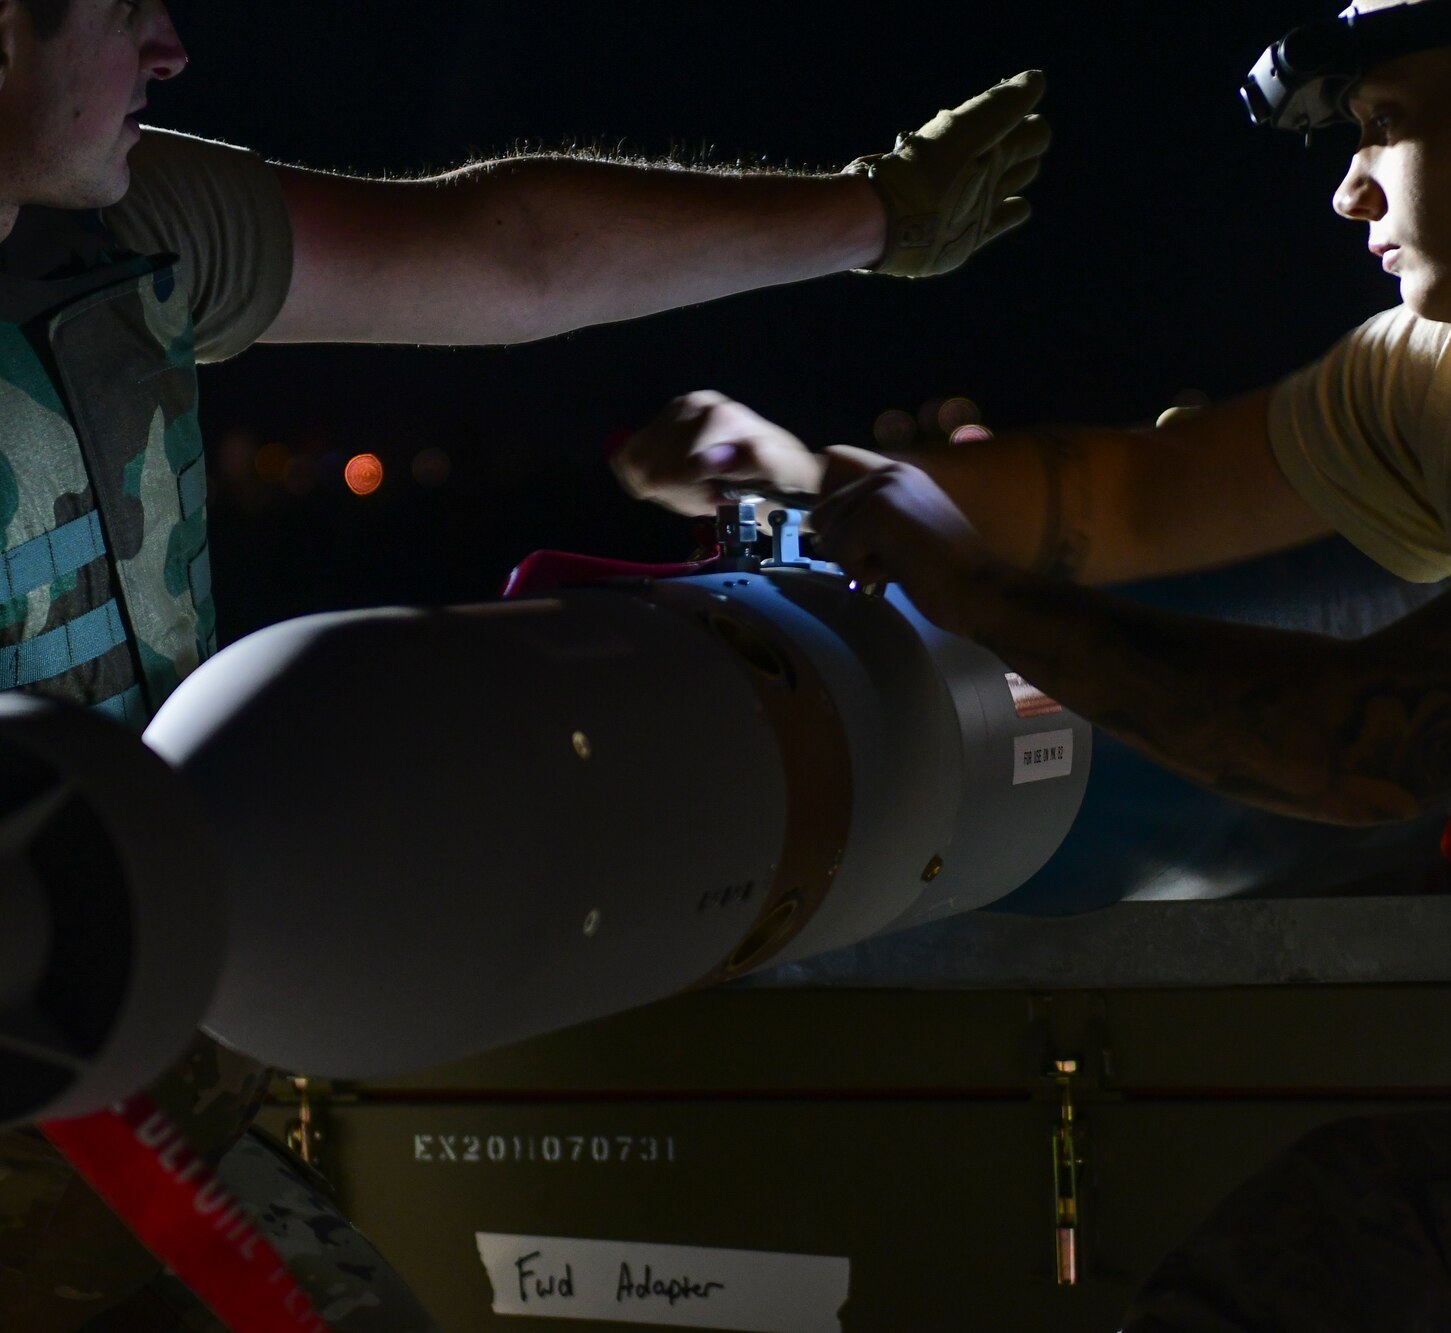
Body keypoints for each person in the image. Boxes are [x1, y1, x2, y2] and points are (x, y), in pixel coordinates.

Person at [617, 0, 1451, 1325]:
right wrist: (822, 492)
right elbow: (1140, 497)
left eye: (1382, 126)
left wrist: (977, 596)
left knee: (1371, 1236)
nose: (1346, 191)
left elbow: (1362, 741)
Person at [0, 0, 1049, 1327]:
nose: (168, 46)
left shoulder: (131, 225)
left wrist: (880, 212)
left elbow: (508, 251)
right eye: (115, 10)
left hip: (142, 1081)